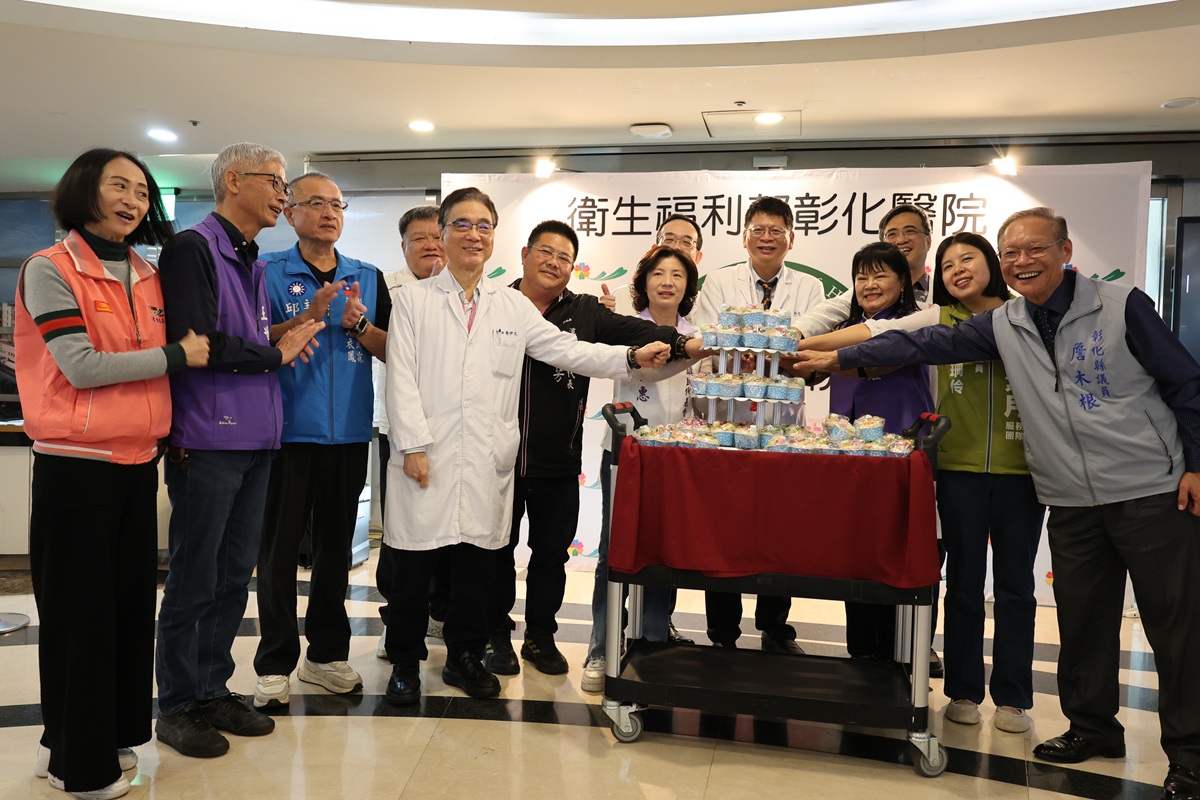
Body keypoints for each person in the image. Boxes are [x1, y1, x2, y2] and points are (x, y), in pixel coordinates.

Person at [794, 207, 1200, 800]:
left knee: (1175, 625)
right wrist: (837, 359)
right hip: (1069, 494)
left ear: (1065, 251)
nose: (1022, 261)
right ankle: (1092, 728)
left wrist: (1197, 463)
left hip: (1149, 485)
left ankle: (1190, 755)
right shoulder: (1006, 322)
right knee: (1084, 620)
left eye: (1035, 249)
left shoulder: (1121, 305)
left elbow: (1185, 381)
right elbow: (924, 340)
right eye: (1012, 252)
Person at [379, 187, 671, 705]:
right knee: (414, 565)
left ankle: (465, 657)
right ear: (442, 232)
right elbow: (400, 378)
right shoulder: (413, 301)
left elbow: (568, 350)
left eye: (483, 226)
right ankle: (404, 661)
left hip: (486, 457)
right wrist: (413, 445)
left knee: (476, 566)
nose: (473, 234)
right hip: (427, 456)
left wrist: (629, 357)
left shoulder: (510, 305)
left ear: (493, 237)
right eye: (462, 224)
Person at [16, 148, 208, 800]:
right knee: (81, 620)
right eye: (117, 186)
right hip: (76, 469)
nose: (132, 199)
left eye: (141, 190)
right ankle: (81, 768)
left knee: (127, 614)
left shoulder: (148, 273)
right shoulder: (50, 268)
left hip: (135, 464)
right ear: (83, 191)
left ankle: (79, 741)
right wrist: (177, 355)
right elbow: (81, 366)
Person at [155, 143, 325, 759]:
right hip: (208, 438)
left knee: (231, 576)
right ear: (234, 180)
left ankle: (212, 688)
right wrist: (277, 352)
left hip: (255, 437)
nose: (284, 195)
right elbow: (199, 341)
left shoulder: (247, 257)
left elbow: (243, 339)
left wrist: (292, 329)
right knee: (195, 575)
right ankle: (178, 704)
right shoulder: (192, 248)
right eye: (275, 183)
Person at [483, 220, 701, 678]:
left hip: (558, 457)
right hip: (497, 456)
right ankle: (495, 636)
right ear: (524, 254)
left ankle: (540, 637)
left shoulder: (584, 311)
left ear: (573, 267)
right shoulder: (494, 303)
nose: (554, 263)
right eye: (546, 252)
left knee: (551, 555)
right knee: (495, 551)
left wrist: (684, 343)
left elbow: (633, 329)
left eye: (564, 257)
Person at [252, 171, 391, 709]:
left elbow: (393, 350)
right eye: (316, 203)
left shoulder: (367, 277)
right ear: (290, 213)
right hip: (284, 432)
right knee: (278, 551)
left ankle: (326, 655)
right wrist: (304, 320)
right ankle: (274, 663)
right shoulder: (266, 273)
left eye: (338, 204)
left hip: (349, 433)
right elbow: (249, 342)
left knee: (336, 550)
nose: (330, 212)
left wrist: (357, 326)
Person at [691, 195, 824, 653]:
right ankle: (722, 631)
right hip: (726, 419)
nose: (767, 238)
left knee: (777, 522)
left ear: (791, 238)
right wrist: (739, 354)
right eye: (758, 230)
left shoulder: (809, 287)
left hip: (782, 422)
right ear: (745, 237)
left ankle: (774, 625)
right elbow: (708, 339)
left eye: (776, 230)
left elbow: (810, 346)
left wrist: (773, 354)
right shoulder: (719, 281)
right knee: (723, 523)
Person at [582, 245, 700, 693]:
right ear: (643, 282)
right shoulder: (624, 328)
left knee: (664, 551)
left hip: (677, 458)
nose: (667, 282)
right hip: (625, 453)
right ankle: (601, 646)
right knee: (612, 550)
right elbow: (645, 374)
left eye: (678, 275)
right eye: (658, 274)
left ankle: (653, 644)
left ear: (688, 286)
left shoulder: (698, 334)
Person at [826, 242, 933, 662]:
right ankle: (861, 657)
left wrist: (813, 357)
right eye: (861, 277)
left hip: (899, 460)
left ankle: (897, 660)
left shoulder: (913, 325)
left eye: (880, 275)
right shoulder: (843, 327)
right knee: (855, 551)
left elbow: (874, 358)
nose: (869, 284)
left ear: (903, 281)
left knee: (894, 553)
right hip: (850, 462)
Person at [374, 205, 447, 659]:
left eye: (438, 236)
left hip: (453, 431)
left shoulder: (466, 289)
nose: (431, 245)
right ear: (403, 246)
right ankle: (397, 623)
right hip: (401, 430)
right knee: (401, 535)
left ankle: (440, 613)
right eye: (420, 238)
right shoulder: (388, 289)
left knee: (448, 531)